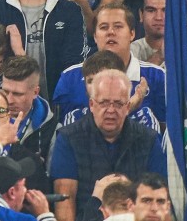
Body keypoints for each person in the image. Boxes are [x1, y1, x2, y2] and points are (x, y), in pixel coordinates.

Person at [48, 69, 167, 221]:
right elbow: (65, 205)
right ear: (91, 104)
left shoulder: (148, 139)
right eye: (104, 103)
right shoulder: (68, 139)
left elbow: (158, 199)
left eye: (118, 104)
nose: (110, 110)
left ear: (127, 106)